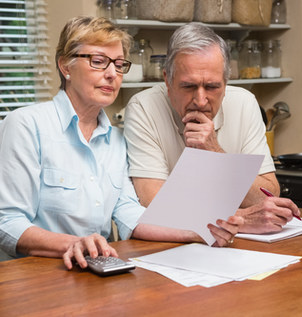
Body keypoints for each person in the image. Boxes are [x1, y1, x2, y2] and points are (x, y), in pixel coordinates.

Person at [0, 17, 241, 267]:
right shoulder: (26, 125)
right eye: (98, 62)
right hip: (35, 277)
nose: (112, 74)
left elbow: (130, 215)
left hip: (97, 271)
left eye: (118, 64)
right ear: (65, 67)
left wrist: (201, 230)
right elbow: (7, 223)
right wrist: (72, 244)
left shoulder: (115, 139)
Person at [124, 22, 300, 233]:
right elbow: (152, 205)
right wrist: (239, 219)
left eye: (212, 87)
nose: (200, 100)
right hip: (170, 247)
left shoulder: (244, 103)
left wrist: (214, 152)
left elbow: (268, 195)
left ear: (226, 83)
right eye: (188, 86)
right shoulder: (143, 107)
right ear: (167, 81)